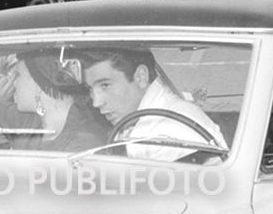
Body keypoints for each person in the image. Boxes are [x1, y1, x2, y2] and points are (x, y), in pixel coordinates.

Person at [81, 48, 226, 162]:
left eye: (105, 85)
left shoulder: (170, 135)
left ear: (141, 76)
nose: (96, 102)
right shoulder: (139, 118)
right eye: (90, 89)